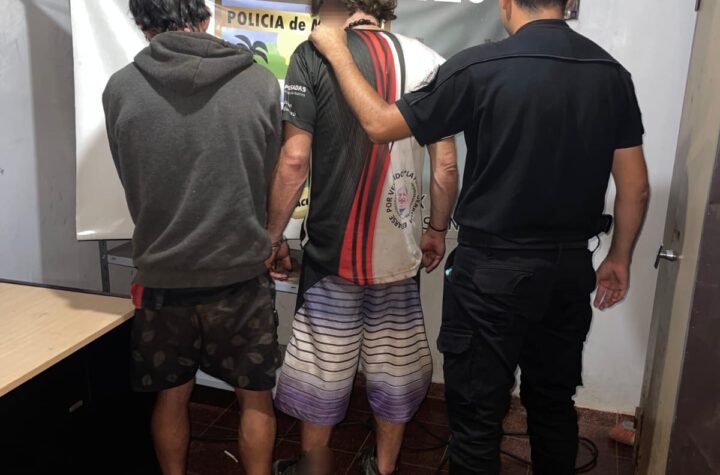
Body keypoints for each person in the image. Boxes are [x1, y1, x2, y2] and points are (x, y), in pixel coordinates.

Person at [308, 0, 650, 473]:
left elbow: (380, 124)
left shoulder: (479, 66)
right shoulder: (610, 74)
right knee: (553, 405)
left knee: (476, 419)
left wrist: (335, 50)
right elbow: (636, 187)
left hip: (491, 271)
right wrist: (620, 256)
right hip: (568, 271)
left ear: (507, 3)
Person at [265, 0, 458, 473]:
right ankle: (384, 468)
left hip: (334, 254)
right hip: (400, 252)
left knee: (322, 370)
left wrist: (272, 235)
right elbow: (446, 166)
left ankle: (315, 468)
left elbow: (294, 160)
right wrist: (436, 229)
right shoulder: (429, 61)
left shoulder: (313, 55)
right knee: (394, 368)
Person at [102, 1, 282, 474]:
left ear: (143, 27)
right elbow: (265, 175)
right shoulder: (261, 83)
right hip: (240, 275)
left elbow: (129, 175)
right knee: (256, 400)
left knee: (171, 398)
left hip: (162, 277)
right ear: (205, 20)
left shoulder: (120, 88)